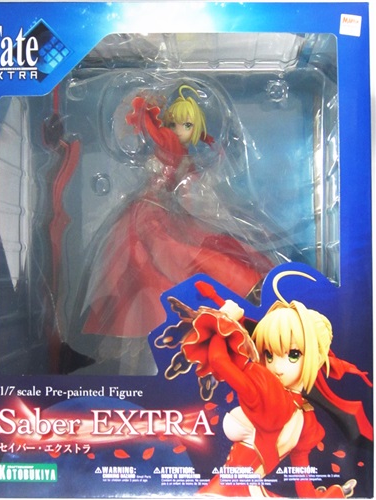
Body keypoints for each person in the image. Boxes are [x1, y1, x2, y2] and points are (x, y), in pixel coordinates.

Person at [75, 84, 276, 357]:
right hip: (149, 212)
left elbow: (188, 190)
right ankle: (160, 319)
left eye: (187, 125)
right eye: (174, 123)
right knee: (159, 255)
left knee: (185, 252)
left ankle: (232, 291)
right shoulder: (166, 146)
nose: (178, 130)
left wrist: (206, 205)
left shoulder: (182, 155)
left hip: (167, 212)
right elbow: (161, 162)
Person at [156, 274, 372, 497]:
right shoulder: (289, 406)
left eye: (293, 354)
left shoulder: (294, 411)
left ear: (316, 359)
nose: (276, 366)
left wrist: (224, 320)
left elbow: (303, 483)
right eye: (268, 355)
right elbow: (304, 488)